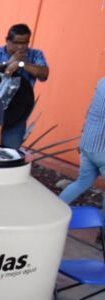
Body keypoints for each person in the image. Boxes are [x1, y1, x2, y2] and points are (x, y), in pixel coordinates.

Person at [0, 24, 50, 148]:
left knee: (10, 151)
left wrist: (21, 64)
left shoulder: (35, 55)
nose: (20, 47)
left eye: (25, 42)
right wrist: (6, 64)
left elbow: (44, 73)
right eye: (16, 42)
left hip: (17, 113)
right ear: (7, 40)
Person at [58, 77, 105, 218]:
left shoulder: (102, 82)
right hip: (102, 148)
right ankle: (103, 233)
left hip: (88, 143)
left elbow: (89, 111)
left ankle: (53, 213)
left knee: (82, 182)